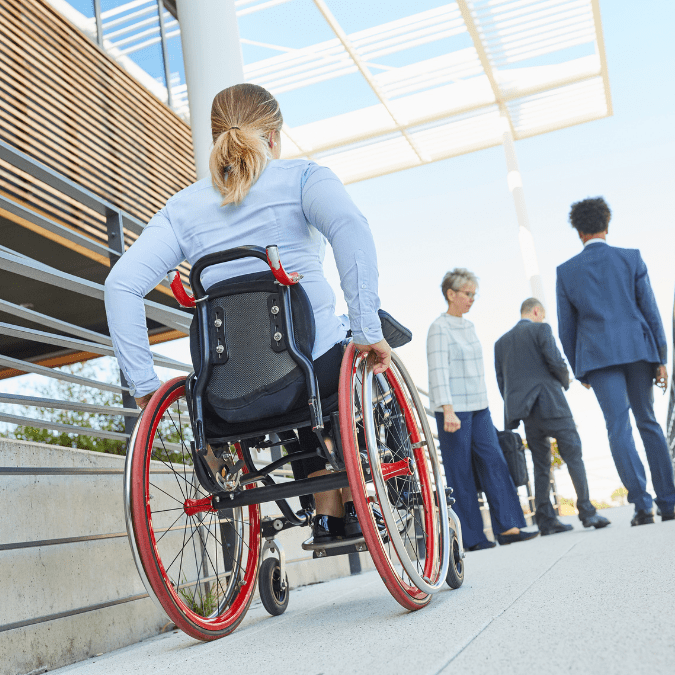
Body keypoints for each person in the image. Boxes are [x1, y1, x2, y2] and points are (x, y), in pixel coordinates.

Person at [104, 83, 392, 544]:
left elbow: (120, 285)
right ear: (274, 137)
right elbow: (350, 227)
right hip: (314, 367)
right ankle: (354, 501)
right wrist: (367, 328)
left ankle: (326, 510)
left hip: (227, 386)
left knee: (283, 377)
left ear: (217, 139)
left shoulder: (182, 208)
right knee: (334, 359)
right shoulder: (302, 177)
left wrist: (143, 386)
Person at [557, 197, 675, 526]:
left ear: (578, 231)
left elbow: (566, 327)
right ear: (607, 226)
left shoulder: (566, 272)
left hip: (597, 358)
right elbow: (649, 309)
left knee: (618, 428)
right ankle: (670, 503)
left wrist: (579, 368)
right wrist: (661, 357)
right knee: (648, 423)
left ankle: (642, 506)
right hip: (639, 350)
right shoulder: (631, 258)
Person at [427, 268, 538, 550]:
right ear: (451, 294)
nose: (471, 300)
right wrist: (447, 409)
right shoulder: (439, 328)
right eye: (467, 294)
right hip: (453, 411)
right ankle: (473, 538)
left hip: (479, 407)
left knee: (494, 462)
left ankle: (509, 528)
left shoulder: (470, 326)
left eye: (474, 295)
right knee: (460, 472)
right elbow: (438, 372)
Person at [494, 298, 610, 535]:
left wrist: (517, 406)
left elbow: (501, 381)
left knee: (540, 463)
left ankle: (546, 520)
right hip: (551, 403)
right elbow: (555, 360)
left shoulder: (501, 343)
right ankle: (587, 512)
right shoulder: (541, 328)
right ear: (537, 311)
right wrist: (565, 381)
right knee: (573, 454)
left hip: (526, 413)